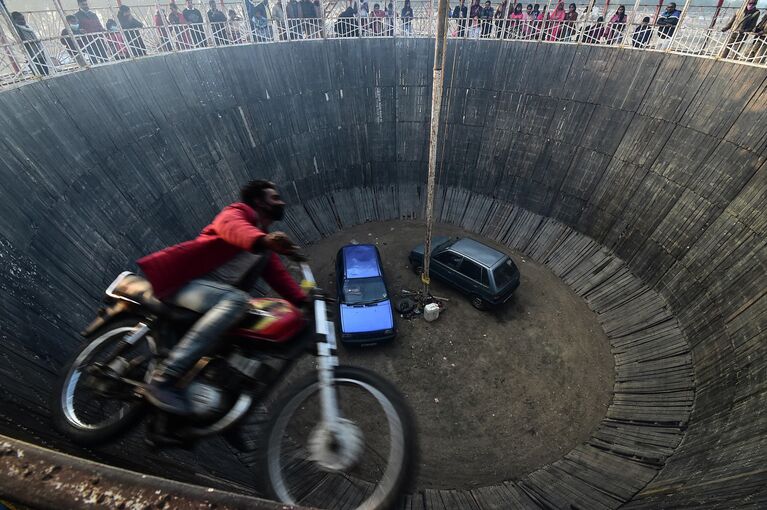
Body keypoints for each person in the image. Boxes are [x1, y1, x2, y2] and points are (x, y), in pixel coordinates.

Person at [138, 180, 307, 415]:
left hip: (213, 299)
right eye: (275, 197)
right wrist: (263, 240)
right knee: (238, 301)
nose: (282, 202)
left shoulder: (262, 244)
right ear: (258, 201)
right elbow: (232, 227)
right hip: (186, 284)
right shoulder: (238, 213)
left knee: (253, 331)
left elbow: (278, 275)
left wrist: (304, 301)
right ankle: (164, 378)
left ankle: (228, 410)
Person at [10, 12, 51, 76]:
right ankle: (40, 76)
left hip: (38, 50)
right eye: (19, 20)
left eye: (23, 19)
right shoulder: (17, 29)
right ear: (14, 21)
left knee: (43, 65)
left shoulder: (28, 27)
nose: (22, 21)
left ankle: (46, 75)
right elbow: (23, 39)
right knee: (36, 66)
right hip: (31, 52)